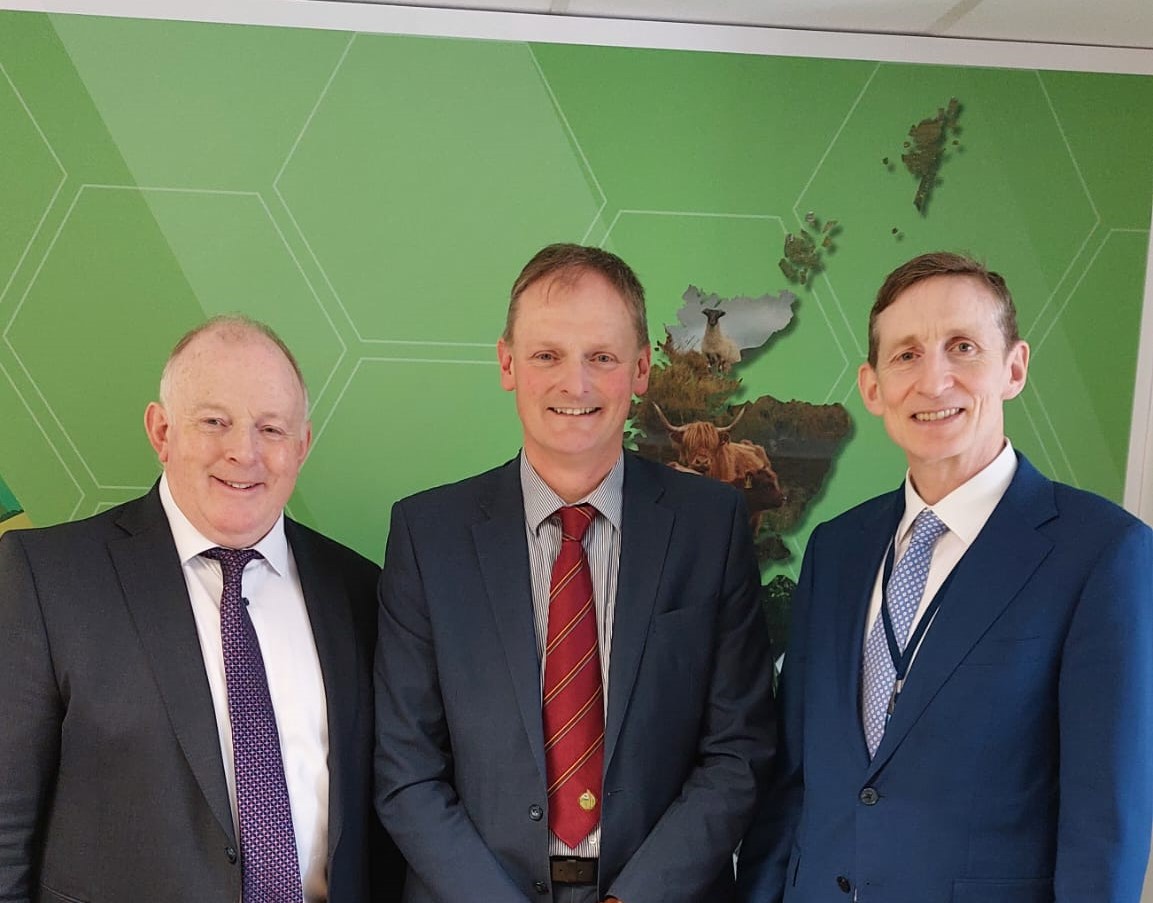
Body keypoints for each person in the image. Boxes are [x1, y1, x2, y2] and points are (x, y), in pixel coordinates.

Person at [736, 252, 1153, 903]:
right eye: (905, 355)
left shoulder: (1101, 553)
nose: (933, 380)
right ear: (872, 388)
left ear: (1012, 367)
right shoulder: (834, 549)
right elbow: (794, 782)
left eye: (962, 347)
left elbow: (1103, 825)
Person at [374, 243, 776, 903]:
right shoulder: (428, 535)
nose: (575, 383)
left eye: (602, 356)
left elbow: (736, 753)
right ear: (507, 363)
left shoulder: (711, 526)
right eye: (546, 355)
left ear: (641, 368)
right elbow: (405, 769)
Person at [0, 316, 402, 902]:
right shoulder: (47, 577)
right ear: (162, 431)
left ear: (303, 445)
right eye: (215, 422)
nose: (244, 452)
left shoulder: (361, 591)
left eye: (271, 428)